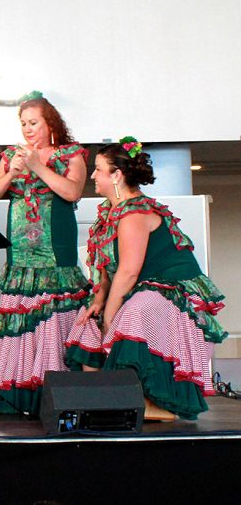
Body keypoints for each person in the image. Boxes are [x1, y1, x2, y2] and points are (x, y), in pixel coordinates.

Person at [66, 138, 226, 421]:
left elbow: (128, 270)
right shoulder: (110, 213)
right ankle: (104, 399)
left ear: (116, 175)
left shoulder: (134, 213)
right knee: (86, 319)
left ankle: (151, 402)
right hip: (140, 287)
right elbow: (108, 267)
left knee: (133, 313)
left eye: (98, 169)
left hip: (172, 289)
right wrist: (99, 302)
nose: (92, 175)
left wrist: (111, 318)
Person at [0, 93, 91, 415]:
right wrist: (11, 173)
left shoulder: (70, 154)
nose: (28, 129)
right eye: (23, 124)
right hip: (21, 255)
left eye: (34, 123)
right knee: (22, 321)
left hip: (54, 253)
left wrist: (37, 167)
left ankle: (56, 395)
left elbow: (72, 191)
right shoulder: (11, 155)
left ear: (50, 124)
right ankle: (20, 394)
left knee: (52, 321)